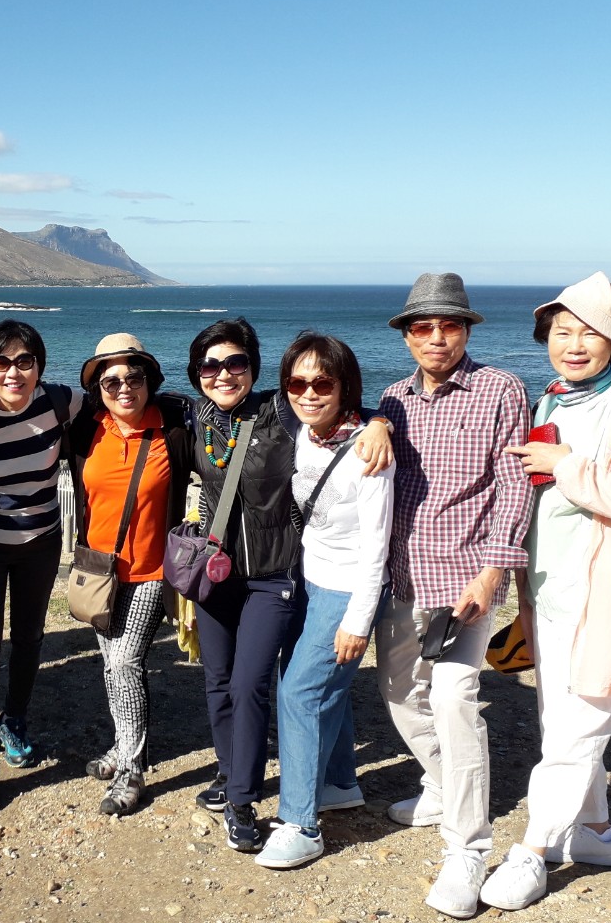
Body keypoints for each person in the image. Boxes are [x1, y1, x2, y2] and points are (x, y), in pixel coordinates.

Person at [480, 273, 611, 910]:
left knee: (577, 732)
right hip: (548, 593)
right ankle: (594, 833)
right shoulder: (551, 403)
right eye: (562, 331)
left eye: (590, 333)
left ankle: (532, 853)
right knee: (558, 724)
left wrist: (564, 465)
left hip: (607, 595)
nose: (574, 344)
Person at [186, 318, 392, 853]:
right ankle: (241, 773)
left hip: (273, 575)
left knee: (256, 685)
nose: (223, 374)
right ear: (196, 373)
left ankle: (246, 800)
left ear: (254, 368)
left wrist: (380, 422)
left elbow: (333, 405)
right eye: (210, 365)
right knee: (218, 681)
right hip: (216, 573)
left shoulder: (279, 411)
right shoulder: (193, 416)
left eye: (236, 362)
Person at [375, 272, 534, 919]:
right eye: (424, 326)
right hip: (402, 578)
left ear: (466, 330)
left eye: (450, 325)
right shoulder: (392, 399)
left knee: (453, 700)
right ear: (408, 336)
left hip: (466, 581)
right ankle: (443, 785)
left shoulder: (501, 389)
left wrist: (494, 572)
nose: (437, 337)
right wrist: (371, 426)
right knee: (398, 695)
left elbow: (514, 484)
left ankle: (466, 849)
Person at [257, 333, 394, 870]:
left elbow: (378, 546)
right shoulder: (301, 430)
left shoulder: (369, 452)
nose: (309, 393)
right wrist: (383, 418)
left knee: (299, 693)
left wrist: (358, 621)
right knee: (324, 688)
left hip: (348, 589)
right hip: (306, 582)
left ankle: (301, 823)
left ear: (344, 387)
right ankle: (338, 783)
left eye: (323, 383)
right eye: (297, 382)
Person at [0, 320, 84, 814]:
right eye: (1, 362)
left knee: (29, 639)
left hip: (41, 545)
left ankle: (15, 719)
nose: (13, 373)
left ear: (40, 366)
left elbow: (121, 401)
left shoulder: (61, 402)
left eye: (25, 361)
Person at [67, 334, 193, 816]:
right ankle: (123, 746)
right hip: (99, 572)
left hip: (151, 571)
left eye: (134, 377)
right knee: (111, 664)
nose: (124, 388)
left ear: (150, 380)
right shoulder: (86, 429)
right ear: (97, 388)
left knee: (123, 663)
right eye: (111, 381)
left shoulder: (174, 427)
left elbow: (238, 416)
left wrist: (372, 419)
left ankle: (132, 768)